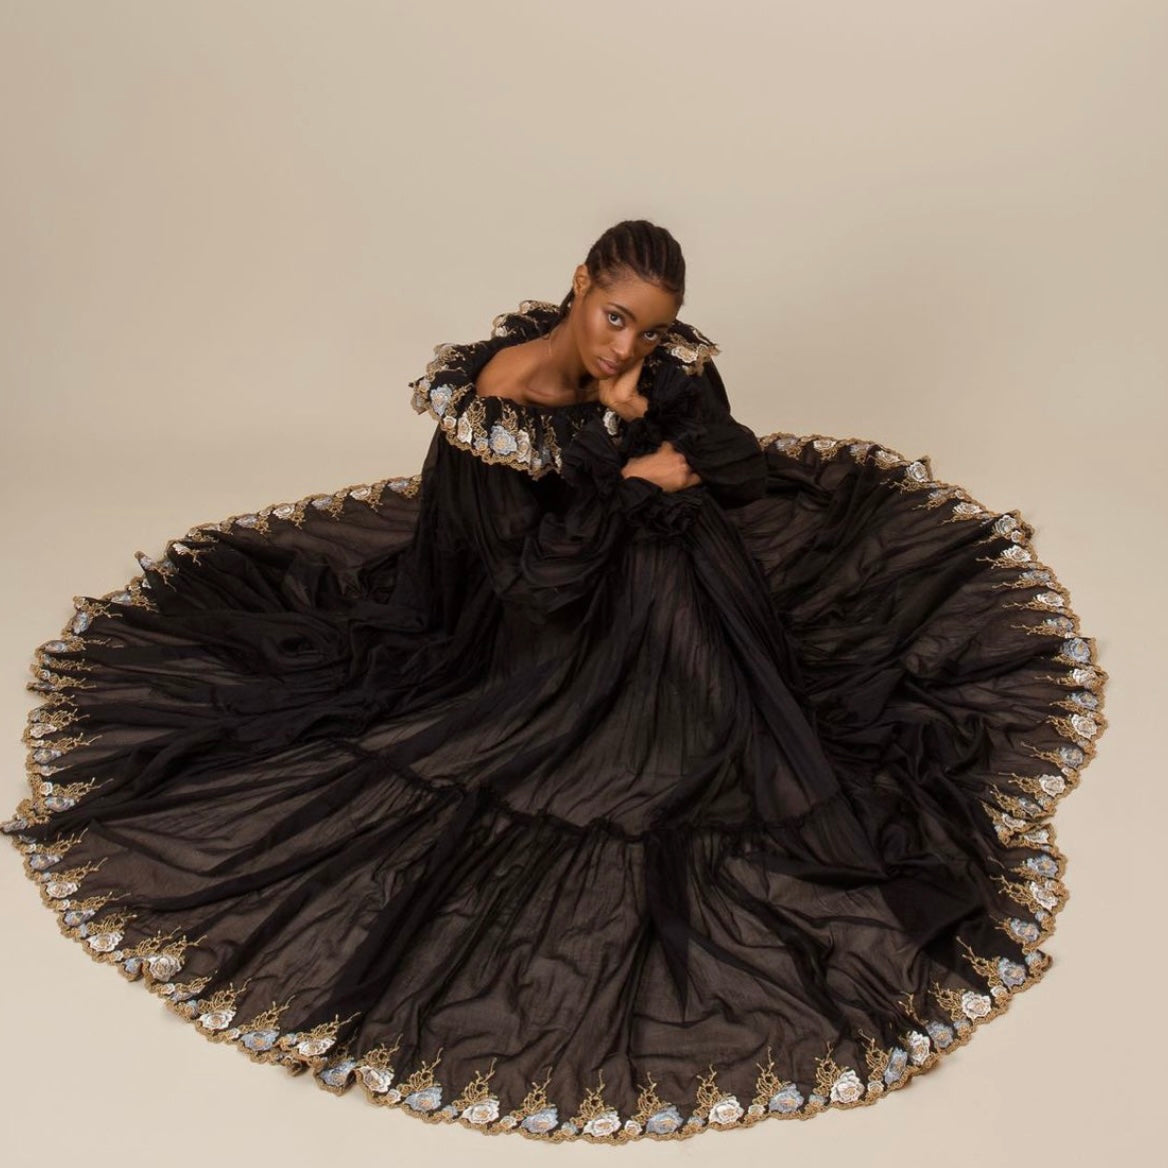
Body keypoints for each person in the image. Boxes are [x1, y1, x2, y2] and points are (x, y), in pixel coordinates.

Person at [5, 219, 1107, 1142]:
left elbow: (727, 461)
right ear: (578, 283)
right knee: (670, 565)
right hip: (529, 617)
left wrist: (641, 418)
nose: (628, 341)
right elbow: (531, 578)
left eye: (650, 326)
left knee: (691, 559)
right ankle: (721, 739)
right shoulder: (506, 397)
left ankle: (730, 724)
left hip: (610, 567)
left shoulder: (645, 362)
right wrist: (634, 481)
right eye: (614, 316)